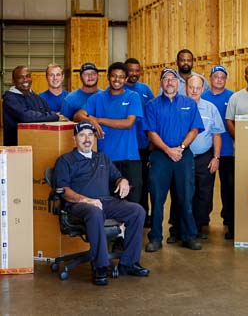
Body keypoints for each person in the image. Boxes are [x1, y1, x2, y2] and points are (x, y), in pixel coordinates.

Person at [53, 122, 149, 286]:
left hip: (105, 201)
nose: (87, 139)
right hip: (78, 205)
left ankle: (129, 263)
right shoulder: (65, 161)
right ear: (74, 138)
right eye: (82, 135)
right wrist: (86, 200)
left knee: (137, 211)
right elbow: (64, 191)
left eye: (90, 135)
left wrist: (123, 181)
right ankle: (100, 266)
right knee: (95, 212)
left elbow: (117, 177)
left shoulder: (102, 158)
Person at [143, 68, 204, 253]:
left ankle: (189, 236)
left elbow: (194, 129)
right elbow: (151, 132)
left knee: (186, 197)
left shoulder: (189, 104)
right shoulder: (152, 105)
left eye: (173, 79)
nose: (169, 82)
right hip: (161, 156)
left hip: (183, 155)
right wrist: (168, 150)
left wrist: (181, 148)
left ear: (179, 83)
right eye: (166, 79)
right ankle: (155, 237)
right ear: (161, 83)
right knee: (157, 198)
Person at [74, 62, 144, 204]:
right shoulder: (97, 98)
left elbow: (128, 123)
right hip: (105, 159)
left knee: (133, 200)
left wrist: (98, 119)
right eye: (114, 76)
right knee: (108, 200)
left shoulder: (133, 96)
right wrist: (90, 120)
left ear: (125, 79)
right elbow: (77, 115)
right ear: (108, 77)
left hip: (129, 157)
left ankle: (133, 227)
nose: (117, 80)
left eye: (121, 77)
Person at [185, 75, 225, 240]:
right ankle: (179, 226)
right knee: (183, 191)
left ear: (203, 89)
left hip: (204, 156)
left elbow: (216, 135)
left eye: (198, 88)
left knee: (204, 192)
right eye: (191, 87)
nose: (194, 91)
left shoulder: (210, 108)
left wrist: (216, 157)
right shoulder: (179, 106)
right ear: (186, 88)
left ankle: (199, 225)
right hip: (183, 156)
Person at [201, 65, 235, 239]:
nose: (219, 79)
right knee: (205, 187)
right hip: (207, 150)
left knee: (228, 187)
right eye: (216, 76)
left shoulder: (232, 96)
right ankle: (202, 219)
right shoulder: (202, 95)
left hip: (228, 150)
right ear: (210, 78)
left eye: (223, 76)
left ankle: (229, 220)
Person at [123, 58, 155, 219]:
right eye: (131, 70)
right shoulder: (117, 89)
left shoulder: (145, 89)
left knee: (143, 182)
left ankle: (144, 215)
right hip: (125, 145)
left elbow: (153, 113)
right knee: (126, 181)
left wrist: (151, 141)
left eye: (137, 70)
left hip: (143, 144)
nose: (134, 73)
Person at [2, 66, 66, 145]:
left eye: (28, 76)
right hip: (16, 149)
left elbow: (48, 119)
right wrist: (55, 116)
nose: (25, 80)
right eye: (20, 77)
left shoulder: (39, 99)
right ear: (13, 81)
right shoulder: (10, 99)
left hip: (38, 146)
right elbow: (25, 116)